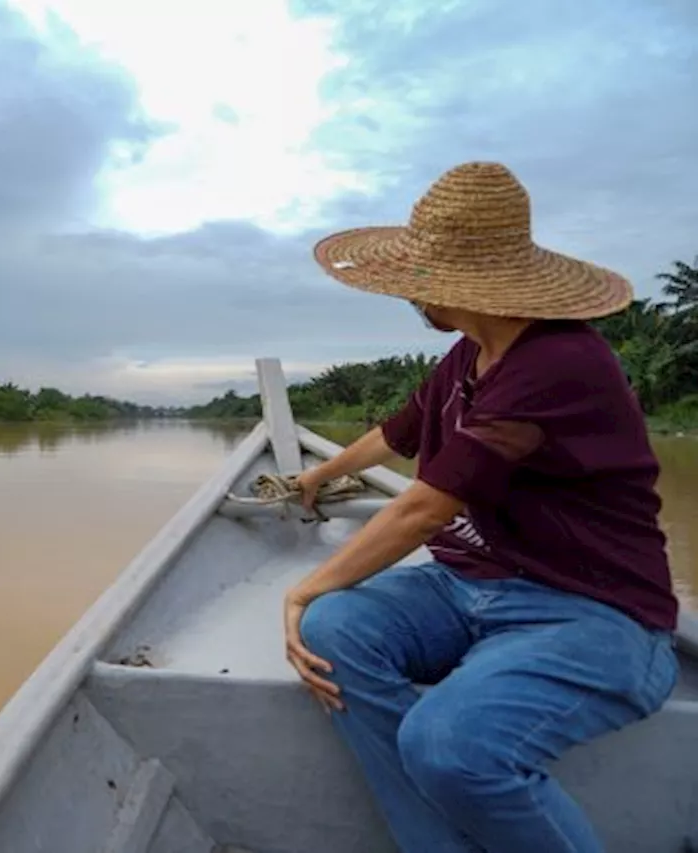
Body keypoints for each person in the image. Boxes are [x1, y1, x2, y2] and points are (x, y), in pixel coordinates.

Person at [283, 161, 680, 853]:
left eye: (416, 281)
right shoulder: (468, 356)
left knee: (448, 742)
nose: (411, 295)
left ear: (452, 286)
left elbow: (425, 509)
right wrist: (323, 472)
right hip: (471, 584)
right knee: (337, 629)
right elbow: (398, 432)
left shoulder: (560, 362)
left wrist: (303, 587)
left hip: (595, 609)